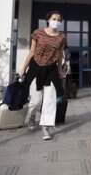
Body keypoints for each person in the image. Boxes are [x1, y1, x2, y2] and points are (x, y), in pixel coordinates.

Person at [19, 10, 66, 140]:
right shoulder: (38, 33)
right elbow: (32, 52)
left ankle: (46, 127)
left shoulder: (61, 37)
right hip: (36, 67)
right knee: (36, 100)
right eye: (54, 18)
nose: (56, 21)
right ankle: (32, 115)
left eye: (58, 19)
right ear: (48, 20)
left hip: (51, 70)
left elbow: (59, 55)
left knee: (50, 100)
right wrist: (23, 68)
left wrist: (60, 70)